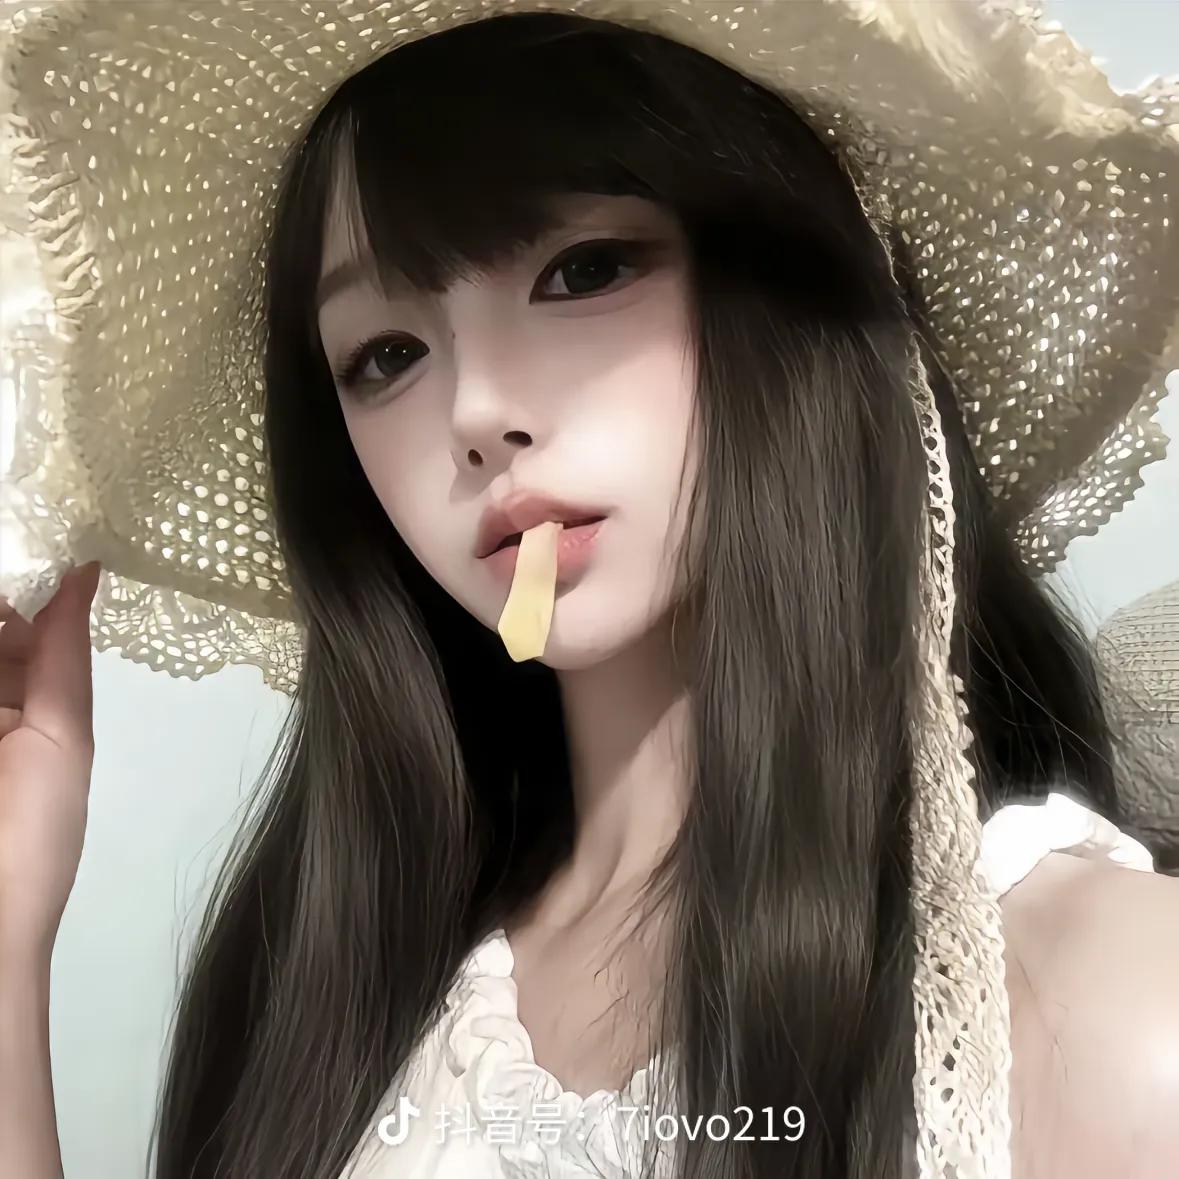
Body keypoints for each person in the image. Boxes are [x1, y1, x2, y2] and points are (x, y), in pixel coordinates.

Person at [0, 5, 1177, 1179]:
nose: (475, 412)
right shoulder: (328, 987)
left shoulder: (1096, 1011)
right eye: (387, 355)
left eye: (584, 270)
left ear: (791, 282)